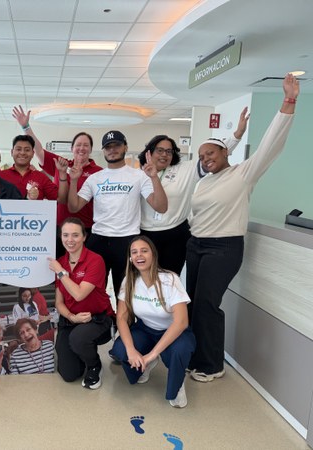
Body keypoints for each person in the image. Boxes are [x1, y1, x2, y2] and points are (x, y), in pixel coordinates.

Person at [186, 74, 299, 383]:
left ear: (226, 153)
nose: (206, 159)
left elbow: (270, 145)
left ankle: (212, 364)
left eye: (211, 153)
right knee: (193, 302)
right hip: (196, 245)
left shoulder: (243, 174)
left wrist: (288, 103)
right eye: (202, 156)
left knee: (208, 305)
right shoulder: (204, 181)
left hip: (223, 248)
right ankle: (195, 356)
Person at [137, 109, 249, 274]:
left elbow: (215, 153)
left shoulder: (186, 169)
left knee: (170, 279)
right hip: (145, 234)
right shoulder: (138, 175)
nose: (164, 155)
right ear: (149, 152)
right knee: (144, 278)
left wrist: (238, 134)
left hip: (175, 234)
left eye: (169, 151)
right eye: (159, 150)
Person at [68, 131, 168, 296]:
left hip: (126, 240)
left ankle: (124, 322)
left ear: (125, 147)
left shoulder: (139, 176)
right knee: (93, 291)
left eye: (117, 145)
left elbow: (161, 207)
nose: (112, 150)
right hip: (98, 239)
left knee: (124, 292)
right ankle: (101, 321)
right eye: (108, 147)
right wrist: (73, 180)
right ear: (103, 151)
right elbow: (74, 207)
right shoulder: (95, 178)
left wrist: (154, 177)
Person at [110, 236, 196, 408]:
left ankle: (176, 384)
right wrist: (131, 349)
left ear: (153, 254)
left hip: (173, 331)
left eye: (144, 250)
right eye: (134, 252)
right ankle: (144, 365)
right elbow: (121, 317)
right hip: (145, 330)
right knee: (120, 349)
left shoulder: (170, 279)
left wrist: (153, 353)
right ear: (130, 258)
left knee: (180, 351)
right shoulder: (129, 281)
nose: (139, 255)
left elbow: (181, 322)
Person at [48, 217, 114, 389]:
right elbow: (59, 302)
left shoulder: (95, 260)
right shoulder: (61, 262)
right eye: (65, 235)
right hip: (71, 320)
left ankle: (94, 365)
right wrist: (72, 317)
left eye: (75, 235)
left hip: (96, 319)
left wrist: (61, 273)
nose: (70, 240)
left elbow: (79, 295)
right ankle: (80, 352)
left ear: (84, 237)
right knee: (69, 374)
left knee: (78, 338)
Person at [13, 106, 102, 232]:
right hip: (58, 226)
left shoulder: (99, 172)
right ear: (72, 148)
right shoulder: (61, 164)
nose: (81, 148)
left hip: (86, 228)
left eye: (86, 145)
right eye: (78, 145)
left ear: (91, 150)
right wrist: (26, 127)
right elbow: (38, 150)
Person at [0, 135, 67, 202]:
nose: (22, 153)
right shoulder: (0, 176)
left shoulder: (41, 178)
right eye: (18, 149)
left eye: (27, 150)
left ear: (33, 153)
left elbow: (61, 199)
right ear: (12, 152)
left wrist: (62, 173)